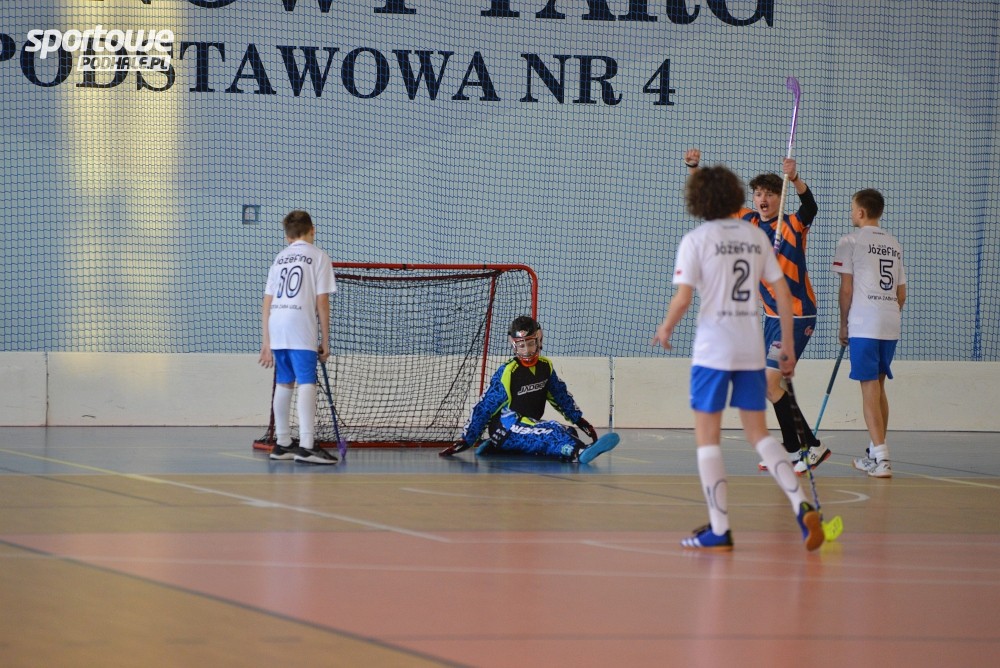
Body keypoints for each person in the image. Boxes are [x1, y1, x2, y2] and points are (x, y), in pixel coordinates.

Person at [653, 164, 824, 551]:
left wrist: (665, 328)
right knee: (759, 434)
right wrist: (789, 346)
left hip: (713, 350)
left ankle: (720, 528)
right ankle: (801, 505)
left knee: (707, 439)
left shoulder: (696, 240)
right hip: (749, 346)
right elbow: (783, 294)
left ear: (698, 200)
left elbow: (683, 299)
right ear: (736, 197)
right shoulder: (755, 237)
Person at [685, 148, 828, 475]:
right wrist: (693, 168)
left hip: (797, 314)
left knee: (768, 383)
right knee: (770, 385)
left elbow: (811, 207)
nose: (763, 199)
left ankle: (808, 447)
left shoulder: (792, 224)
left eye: (770, 194)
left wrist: (795, 178)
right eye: (759, 194)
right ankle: (797, 448)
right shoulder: (747, 220)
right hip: (771, 316)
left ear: (780, 198)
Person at [438, 316, 620, 464]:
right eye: (521, 345)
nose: (527, 351)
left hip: (526, 424)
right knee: (552, 431)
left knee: (568, 432)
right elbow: (485, 407)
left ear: (539, 340)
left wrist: (579, 421)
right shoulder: (508, 372)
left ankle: (497, 447)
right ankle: (578, 452)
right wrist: (467, 440)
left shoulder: (545, 366)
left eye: (531, 344)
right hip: (506, 426)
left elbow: (560, 396)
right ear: (514, 345)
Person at [833, 189, 907, 478]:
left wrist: (844, 324)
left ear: (861, 212)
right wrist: (886, 314)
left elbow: (846, 289)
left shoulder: (850, 241)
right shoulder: (894, 243)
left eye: (853, 208)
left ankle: (883, 459)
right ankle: (874, 454)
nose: (851, 213)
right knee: (879, 387)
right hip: (890, 321)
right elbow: (901, 294)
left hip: (864, 322)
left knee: (869, 390)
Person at [259, 210, 338, 465]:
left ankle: (282, 443)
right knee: (306, 382)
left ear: (287, 236)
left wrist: (266, 341)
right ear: (312, 230)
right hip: (299, 324)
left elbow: (267, 302)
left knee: (284, 382)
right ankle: (306, 445)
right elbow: (322, 302)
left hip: (277, 325)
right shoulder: (319, 256)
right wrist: (325, 340)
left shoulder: (279, 258)